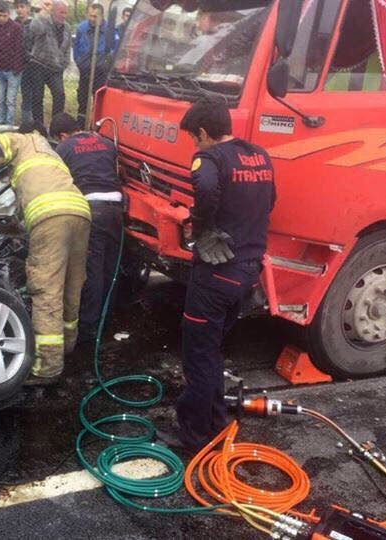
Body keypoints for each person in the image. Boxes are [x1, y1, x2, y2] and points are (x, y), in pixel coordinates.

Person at [164, 98, 275, 451]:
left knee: (198, 352)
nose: (195, 146)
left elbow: (207, 186)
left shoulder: (210, 158)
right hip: (247, 271)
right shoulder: (259, 156)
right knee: (212, 349)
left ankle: (195, 436)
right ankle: (214, 421)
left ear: (202, 132)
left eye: (194, 139)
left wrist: (204, 226)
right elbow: (270, 200)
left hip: (216, 273)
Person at [0, 123, 91, 385]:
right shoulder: (50, 153)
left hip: (49, 215)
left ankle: (47, 369)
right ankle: (67, 346)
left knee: (45, 290)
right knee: (71, 285)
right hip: (79, 212)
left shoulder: (19, 140)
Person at [50, 112, 122, 344]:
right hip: (116, 210)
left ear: (62, 135)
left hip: (92, 209)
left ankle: (90, 329)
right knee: (110, 268)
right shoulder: (107, 143)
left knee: (92, 271)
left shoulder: (64, 149)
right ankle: (106, 320)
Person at [73, 3, 117, 125]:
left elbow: (114, 49)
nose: (92, 19)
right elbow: (76, 47)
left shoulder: (110, 30)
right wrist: (79, 62)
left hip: (100, 71)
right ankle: (80, 124)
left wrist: (105, 65)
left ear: (102, 16)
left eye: (95, 16)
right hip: (85, 69)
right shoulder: (81, 28)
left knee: (99, 100)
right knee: (82, 98)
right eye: (90, 16)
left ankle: (96, 125)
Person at [27, 0, 70, 125]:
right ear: (53, 11)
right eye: (61, 12)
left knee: (60, 95)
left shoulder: (66, 27)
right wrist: (42, 13)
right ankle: (38, 126)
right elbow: (34, 28)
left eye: (66, 13)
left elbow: (67, 48)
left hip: (55, 68)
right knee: (37, 96)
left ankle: (55, 126)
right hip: (39, 64)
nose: (64, 15)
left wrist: (64, 64)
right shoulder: (43, 21)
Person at [0, 1, 23, 125]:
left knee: (10, 100)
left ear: (9, 15)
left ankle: (9, 123)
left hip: (13, 70)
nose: (2, 18)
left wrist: (16, 68)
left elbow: (19, 48)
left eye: (4, 16)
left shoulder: (16, 28)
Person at [15, 0, 34, 124]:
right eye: (17, 7)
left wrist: (29, 56)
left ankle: (27, 121)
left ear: (28, 8)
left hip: (29, 63)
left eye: (22, 7)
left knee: (28, 93)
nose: (19, 10)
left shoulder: (34, 24)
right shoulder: (13, 23)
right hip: (14, 63)